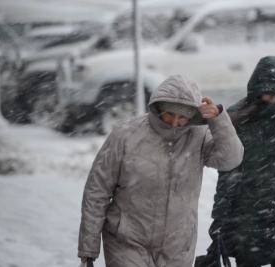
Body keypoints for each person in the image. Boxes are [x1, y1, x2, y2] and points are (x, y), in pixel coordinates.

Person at [77, 74, 244, 267]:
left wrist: (218, 121)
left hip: (177, 245)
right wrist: (88, 248)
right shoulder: (125, 135)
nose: (174, 122)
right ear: (157, 108)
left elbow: (231, 159)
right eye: (169, 114)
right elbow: (97, 190)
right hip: (127, 240)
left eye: (182, 117)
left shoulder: (198, 136)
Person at [196, 56, 275, 267]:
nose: (272, 99)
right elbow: (229, 170)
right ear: (256, 89)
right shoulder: (238, 116)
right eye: (267, 92)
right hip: (247, 212)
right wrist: (220, 217)